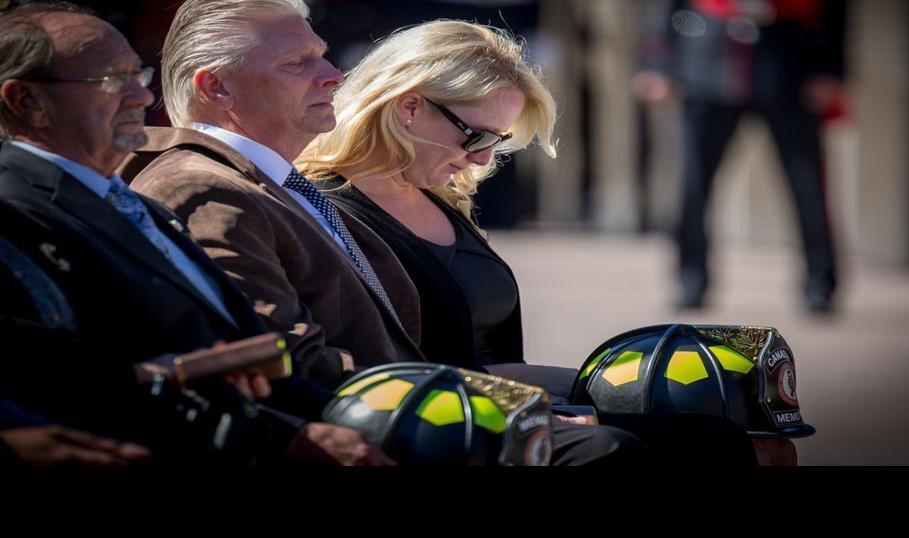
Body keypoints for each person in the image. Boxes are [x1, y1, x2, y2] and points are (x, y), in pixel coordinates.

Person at [124, 0, 644, 466]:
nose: (332, 74)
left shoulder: (273, 182)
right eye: (296, 63)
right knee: (618, 442)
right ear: (216, 87)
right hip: (374, 426)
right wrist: (506, 411)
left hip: (406, 404)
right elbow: (291, 363)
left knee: (666, 398)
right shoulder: (206, 188)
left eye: (322, 54)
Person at [297, 20, 762, 466]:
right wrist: (563, 394)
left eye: (497, 141)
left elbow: (495, 358)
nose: (481, 157)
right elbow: (368, 365)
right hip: (436, 425)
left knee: (728, 429)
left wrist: (592, 385)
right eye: (474, 135)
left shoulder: (439, 192)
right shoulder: (315, 207)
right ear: (409, 107)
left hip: (504, 408)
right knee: (618, 448)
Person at [0, 1, 391, 466]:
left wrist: (335, 421)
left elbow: (236, 354)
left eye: (137, 76)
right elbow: (61, 381)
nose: (143, 99)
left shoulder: (134, 205)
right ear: (26, 102)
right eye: (110, 82)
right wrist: (289, 438)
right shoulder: (16, 209)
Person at [633, 0, 845, 312]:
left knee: (807, 185)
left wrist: (830, 69)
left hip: (788, 62)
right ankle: (691, 279)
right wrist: (657, 65)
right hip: (709, 59)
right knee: (693, 186)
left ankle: (820, 283)